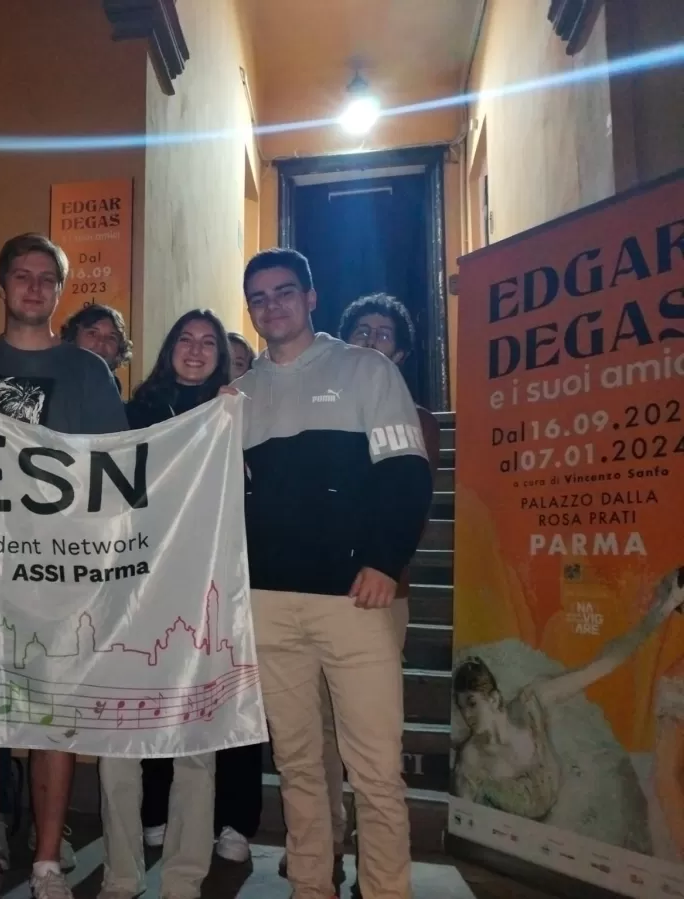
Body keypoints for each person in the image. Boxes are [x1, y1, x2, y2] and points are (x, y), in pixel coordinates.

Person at [0, 233, 127, 899]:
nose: (35, 287)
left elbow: (114, 474)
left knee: (53, 720)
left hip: (60, 577)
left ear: (59, 290)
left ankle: (46, 863)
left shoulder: (88, 372)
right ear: (1, 283)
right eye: (23, 275)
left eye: (48, 277)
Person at [237, 248, 432, 899]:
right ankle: (311, 886)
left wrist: (386, 557)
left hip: (355, 601)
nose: (273, 306)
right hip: (267, 604)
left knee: (375, 770)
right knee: (298, 766)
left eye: (285, 292)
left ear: (311, 297)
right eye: (259, 297)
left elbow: (406, 472)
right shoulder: (237, 395)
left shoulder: (365, 368)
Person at [286, 294, 440, 892]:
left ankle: (378, 875)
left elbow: (407, 494)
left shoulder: (414, 417)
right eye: (362, 333)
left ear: (399, 351)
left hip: (377, 593)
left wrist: (381, 559)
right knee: (313, 744)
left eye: (384, 335)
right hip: (304, 596)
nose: (373, 343)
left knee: (369, 746)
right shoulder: (312, 404)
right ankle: (324, 850)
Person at [99, 309, 229, 899]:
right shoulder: (133, 414)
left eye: (208, 343)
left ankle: (183, 879)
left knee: (196, 750)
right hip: (133, 596)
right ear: (168, 349)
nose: (196, 350)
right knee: (119, 746)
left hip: (204, 596)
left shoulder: (235, 413)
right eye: (185, 340)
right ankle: (121, 876)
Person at [454, 567, 684, 823]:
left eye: (472, 703)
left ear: (494, 699)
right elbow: (465, 824)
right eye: (463, 706)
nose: (468, 714)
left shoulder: (532, 702)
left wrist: (664, 609)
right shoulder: (471, 760)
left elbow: (603, 664)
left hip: (569, 810)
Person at [59, 303, 132, 392]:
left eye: (111, 337)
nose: (101, 342)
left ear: (119, 351)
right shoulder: (49, 388)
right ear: (73, 338)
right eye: (92, 333)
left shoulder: (117, 400)